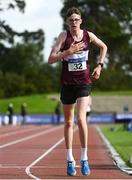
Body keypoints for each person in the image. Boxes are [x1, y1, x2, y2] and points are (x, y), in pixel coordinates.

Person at [48, 7, 107, 176]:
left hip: (84, 82)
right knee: (68, 123)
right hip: (67, 84)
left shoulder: (89, 35)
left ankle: (84, 158)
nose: (74, 22)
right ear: (67, 22)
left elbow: (104, 47)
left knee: (81, 119)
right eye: (71, 20)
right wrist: (68, 52)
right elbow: (50, 59)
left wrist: (100, 66)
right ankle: (69, 159)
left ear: (81, 21)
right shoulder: (63, 37)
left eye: (76, 20)